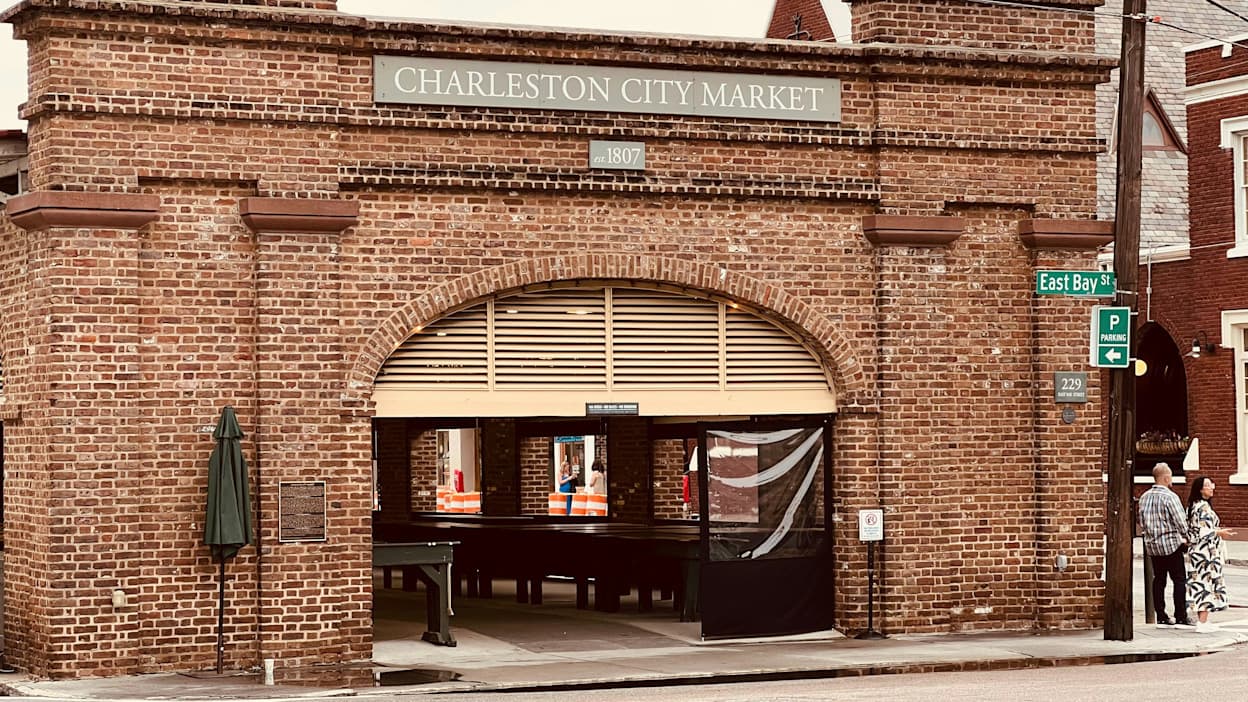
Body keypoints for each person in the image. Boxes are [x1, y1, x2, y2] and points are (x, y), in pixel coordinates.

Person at [1138, 463, 1194, 628]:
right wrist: (1188, 537)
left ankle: (1161, 615)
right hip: (1171, 544)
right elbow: (1181, 522)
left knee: (1159, 580)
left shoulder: (1144, 497)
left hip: (1153, 546)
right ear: (1167, 477)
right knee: (1179, 580)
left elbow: (1141, 521)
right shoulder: (1170, 497)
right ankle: (1181, 615)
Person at [1185, 475, 1236, 633]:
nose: (1212, 487)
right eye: (1208, 485)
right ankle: (1202, 622)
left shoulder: (1193, 506)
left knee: (1201, 583)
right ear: (1200, 489)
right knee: (1205, 585)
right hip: (1205, 553)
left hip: (1198, 551)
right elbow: (1204, 531)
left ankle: (1204, 620)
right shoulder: (1203, 507)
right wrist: (1220, 532)